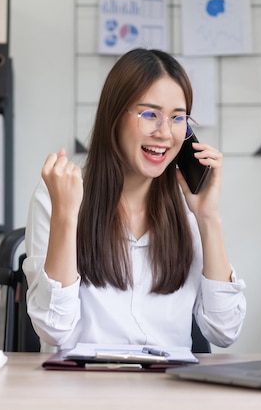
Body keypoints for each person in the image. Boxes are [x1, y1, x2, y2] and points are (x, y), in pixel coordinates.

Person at [22, 48, 246, 352]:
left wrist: (208, 218)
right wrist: (66, 214)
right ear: (114, 116)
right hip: (82, 389)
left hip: (168, 392)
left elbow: (224, 330)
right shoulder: (59, 195)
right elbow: (54, 331)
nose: (165, 133)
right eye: (149, 114)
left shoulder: (187, 208)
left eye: (177, 118)